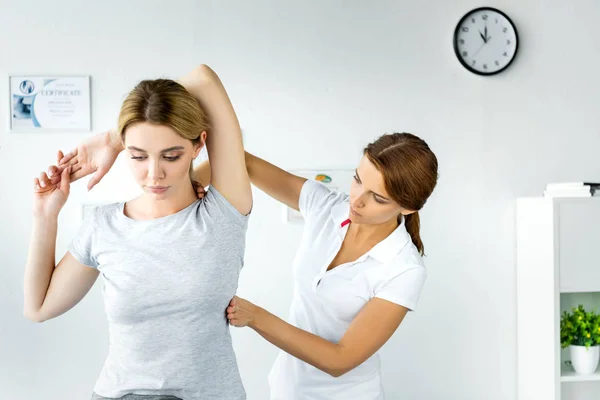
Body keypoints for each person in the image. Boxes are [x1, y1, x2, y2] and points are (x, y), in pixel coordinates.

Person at [54, 126, 438, 399]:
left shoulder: (403, 270)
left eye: (377, 198)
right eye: (357, 180)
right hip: (285, 388)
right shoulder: (328, 207)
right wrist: (189, 192)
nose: (356, 200)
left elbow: (340, 360)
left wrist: (256, 317)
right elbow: (243, 163)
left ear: (408, 206)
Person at [24, 65, 251, 400]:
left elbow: (204, 79)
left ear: (198, 144)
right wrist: (45, 215)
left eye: (171, 156)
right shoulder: (104, 226)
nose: (153, 174)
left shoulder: (223, 211)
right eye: (138, 156)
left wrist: (111, 139)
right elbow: (38, 308)